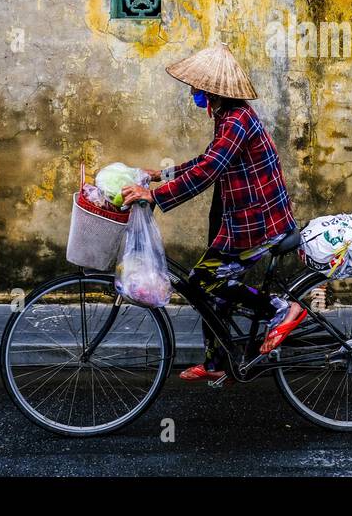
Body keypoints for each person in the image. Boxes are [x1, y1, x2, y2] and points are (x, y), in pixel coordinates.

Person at [122, 42, 305, 383]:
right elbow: (205, 160)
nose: (193, 92)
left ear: (212, 91)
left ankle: (282, 308)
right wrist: (161, 174)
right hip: (239, 221)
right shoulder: (226, 117)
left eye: (197, 88)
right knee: (212, 288)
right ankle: (216, 363)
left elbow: (209, 170)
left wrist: (155, 196)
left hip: (259, 224)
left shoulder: (237, 120)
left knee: (202, 282)